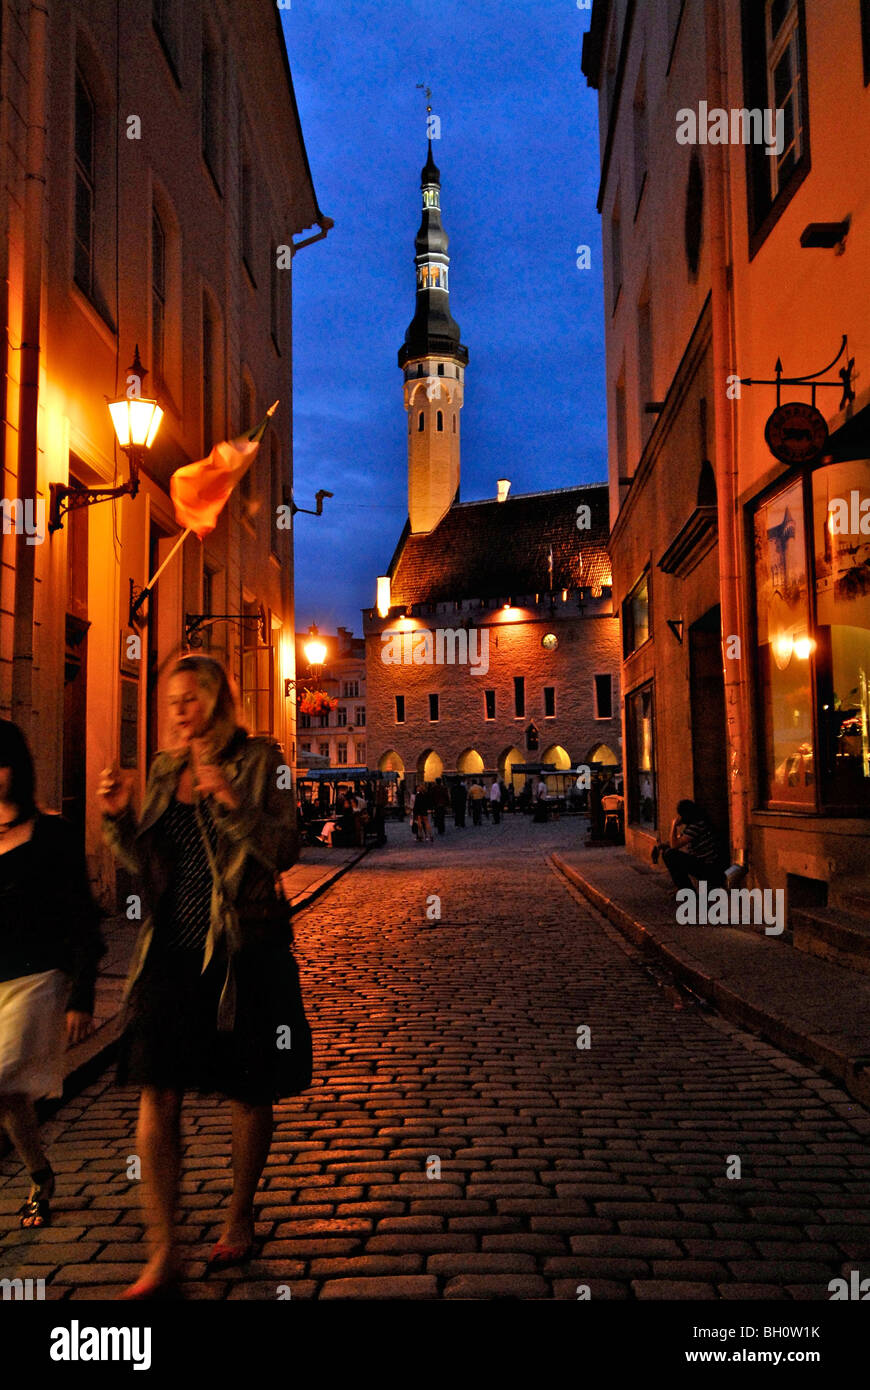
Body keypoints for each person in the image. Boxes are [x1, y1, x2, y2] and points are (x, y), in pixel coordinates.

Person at [99, 655, 310, 1300]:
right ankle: (165, 1252)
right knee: (156, 1089)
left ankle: (239, 1212)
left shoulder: (262, 758)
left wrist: (229, 798)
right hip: (170, 952)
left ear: (218, 701)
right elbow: (149, 864)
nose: (180, 709)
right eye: (172, 700)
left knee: (249, 1088)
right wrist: (115, 818)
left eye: (192, 697)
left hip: (243, 947)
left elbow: (286, 849)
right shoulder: (164, 770)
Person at [0, 721, 104, 1230]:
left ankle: (39, 1177)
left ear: (17, 769)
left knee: (1, 1076)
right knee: (11, 1096)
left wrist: (82, 992)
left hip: (36, 977)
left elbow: (83, 917)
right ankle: (40, 1175)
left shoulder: (53, 836)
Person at [653, 799, 727, 891]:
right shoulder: (695, 825)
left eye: (680, 814)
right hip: (704, 864)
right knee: (667, 853)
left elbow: (674, 845)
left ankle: (687, 891)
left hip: (709, 868)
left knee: (670, 855)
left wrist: (674, 825)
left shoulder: (696, 826)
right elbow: (678, 840)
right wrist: (660, 846)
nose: (679, 817)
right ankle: (682, 888)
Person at [374, 780, 388, 846]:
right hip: (380, 810)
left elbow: (383, 800)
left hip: (380, 810)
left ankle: (380, 838)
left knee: (380, 825)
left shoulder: (381, 791)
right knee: (380, 825)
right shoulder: (380, 790)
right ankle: (380, 837)